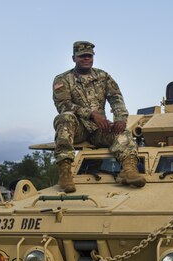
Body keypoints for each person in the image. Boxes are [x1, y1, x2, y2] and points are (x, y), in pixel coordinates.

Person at [53, 41, 146, 193]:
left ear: (93, 57)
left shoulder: (103, 76)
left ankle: (128, 170)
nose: (86, 59)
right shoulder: (62, 79)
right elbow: (63, 104)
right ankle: (65, 173)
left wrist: (120, 119)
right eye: (82, 56)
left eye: (89, 56)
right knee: (65, 117)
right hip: (78, 129)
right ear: (74, 58)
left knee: (123, 132)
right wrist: (90, 114)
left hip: (99, 130)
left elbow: (116, 98)